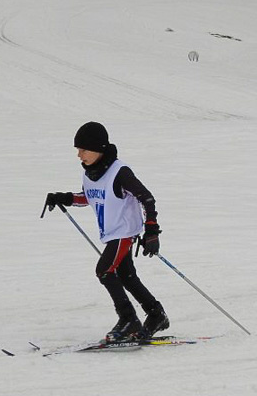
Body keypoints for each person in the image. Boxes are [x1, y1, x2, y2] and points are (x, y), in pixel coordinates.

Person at [44, 122, 169, 343]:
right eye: (77, 150)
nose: (79, 155)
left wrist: (152, 230)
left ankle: (128, 318)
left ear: (98, 148)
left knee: (104, 270)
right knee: (126, 276)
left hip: (123, 232)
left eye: (83, 149)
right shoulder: (90, 173)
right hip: (111, 233)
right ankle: (156, 314)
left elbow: (147, 198)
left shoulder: (119, 172)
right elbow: (89, 197)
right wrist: (64, 198)